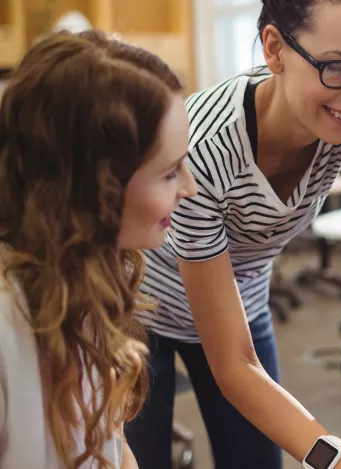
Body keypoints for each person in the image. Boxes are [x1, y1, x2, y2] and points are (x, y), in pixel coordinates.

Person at [125, 1, 341, 468]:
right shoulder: (206, 147)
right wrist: (339, 460)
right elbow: (233, 365)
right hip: (143, 311)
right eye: (338, 67)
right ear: (275, 49)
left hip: (241, 300)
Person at [0, 29, 197, 468]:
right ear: (97, 186)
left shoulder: (95, 277)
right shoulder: (6, 326)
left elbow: (112, 446)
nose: (191, 187)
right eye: (170, 172)